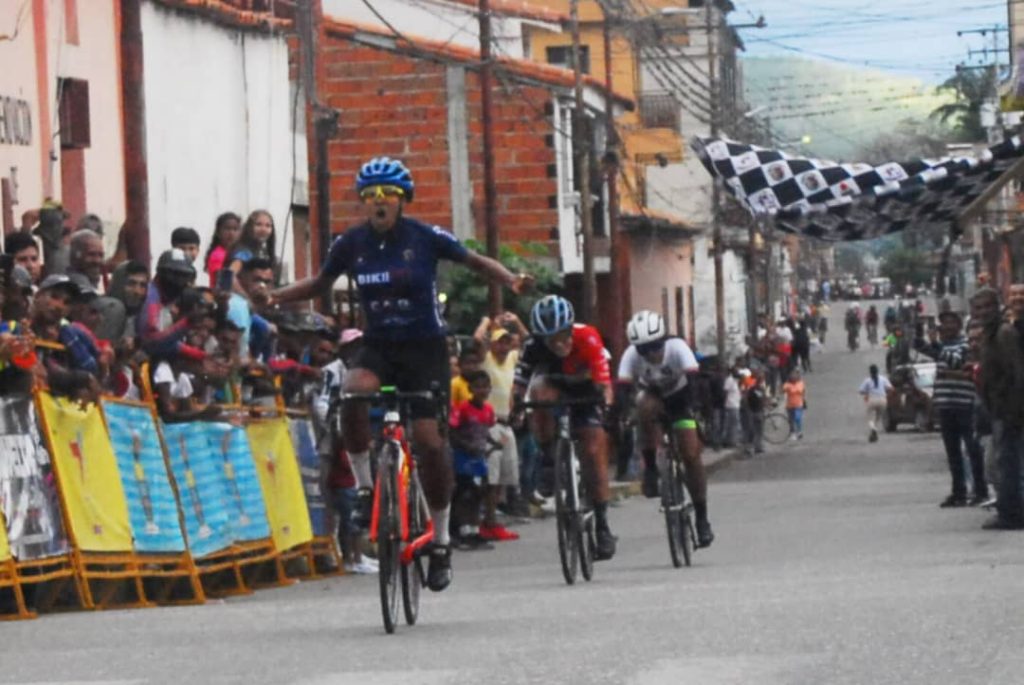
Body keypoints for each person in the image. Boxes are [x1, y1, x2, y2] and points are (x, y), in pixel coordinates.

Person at [266, 156, 530, 592]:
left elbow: (475, 261)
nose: (378, 202)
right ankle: (367, 490)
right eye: (369, 196)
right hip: (380, 346)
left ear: (402, 200)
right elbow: (317, 284)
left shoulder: (425, 237)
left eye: (387, 194)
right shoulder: (351, 243)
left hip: (425, 348)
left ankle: (441, 541)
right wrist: (274, 297)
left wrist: (510, 279)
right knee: (352, 395)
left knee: (429, 442)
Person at [513, 295, 617, 559]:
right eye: (551, 339)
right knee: (539, 394)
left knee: (593, 451)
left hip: (587, 388)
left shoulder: (588, 337)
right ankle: (549, 457)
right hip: (555, 385)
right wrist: (515, 407)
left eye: (563, 335)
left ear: (571, 328)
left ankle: (603, 525)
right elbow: (520, 382)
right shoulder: (533, 346)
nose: (559, 343)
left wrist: (607, 406)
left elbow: (605, 384)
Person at [615, 310, 714, 547]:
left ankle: (702, 518)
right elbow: (622, 390)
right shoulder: (630, 356)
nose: (651, 353)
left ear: (664, 340)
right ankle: (650, 466)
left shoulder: (678, 348)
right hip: (654, 396)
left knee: (691, 454)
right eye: (643, 349)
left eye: (655, 346)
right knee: (643, 407)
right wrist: (620, 416)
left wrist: (697, 412)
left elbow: (695, 382)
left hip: (682, 397)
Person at [915, 310, 988, 507]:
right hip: (946, 405)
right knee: (952, 452)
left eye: (950, 323)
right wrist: (917, 330)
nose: (946, 327)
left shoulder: (966, 345)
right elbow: (921, 347)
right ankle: (959, 492)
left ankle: (981, 490)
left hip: (964, 404)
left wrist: (937, 345)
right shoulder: (943, 347)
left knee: (973, 450)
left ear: (957, 326)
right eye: (943, 324)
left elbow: (957, 361)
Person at [975, 287, 1024, 529]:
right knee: (1004, 463)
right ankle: (1010, 511)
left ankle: (1011, 514)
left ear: (997, 306)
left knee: (1009, 464)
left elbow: (1017, 373)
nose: (984, 312)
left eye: (987, 306)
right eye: (979, 308)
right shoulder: (989, 335)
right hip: (998, 410)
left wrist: (1015, 411)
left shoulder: (1004, 334)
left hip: (1009, 411)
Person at [474, 316, 526, 534]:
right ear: (493, 344)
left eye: (507, 341)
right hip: (489, 423)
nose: (505, 345)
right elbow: (477, 339)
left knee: (506, 474)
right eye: (500, 341)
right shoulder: (486, 359)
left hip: (506, 422)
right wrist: (486, 321)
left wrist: (516, 320)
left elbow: (526, 340)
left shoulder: (512, 359)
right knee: (491, 476)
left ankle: (494, 518)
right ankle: (488, 519)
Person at [449, 370, 498, 550]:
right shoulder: (462, 409)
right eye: (478, 387)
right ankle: (462, 530)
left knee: (479, 492)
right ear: (470, 388)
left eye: (485, 387)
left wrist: (494, 444)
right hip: (463, 458)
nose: (482, 390)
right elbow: (452, 430)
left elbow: (485, 431)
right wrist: (464, 445)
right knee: (464, 493)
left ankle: (475, 530)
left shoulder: (488, 410)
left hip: (479, 457)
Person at [225, 210, 277, 292]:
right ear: (249, 227)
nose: (263, 229)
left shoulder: (263, 252)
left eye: (268, 226)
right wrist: (246, 298)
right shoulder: (244, 252)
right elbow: (229, 275)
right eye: (258, 224)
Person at [204, 212, 242, 288]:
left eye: (235, 229)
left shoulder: (239, 253)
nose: (231, 233)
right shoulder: (217, 254)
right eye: (227, 229)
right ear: (218, 232)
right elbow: (222, 283)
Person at [858, 364, 892, 443]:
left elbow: (861, 391)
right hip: (883, 400)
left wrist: (867, 392)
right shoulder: (883, 379)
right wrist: (885, 393)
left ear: (870, 372)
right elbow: (890, 388)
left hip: (872, 399)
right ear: (877, 371)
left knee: (869, 417)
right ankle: (874, 431)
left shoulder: (867, 380)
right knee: (878, 417)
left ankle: (873, 429)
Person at [782, 369, 806, 440]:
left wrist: (790, 389)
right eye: (792, 377)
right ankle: (792, 432)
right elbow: (783, 389)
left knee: (797, 418)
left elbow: (800, 390)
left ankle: (799, 431)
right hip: (789, 405)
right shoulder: (787, 384)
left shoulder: (800, 383)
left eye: (795, 377)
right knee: (791, 420)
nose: (794, 378)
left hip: (798, 404)